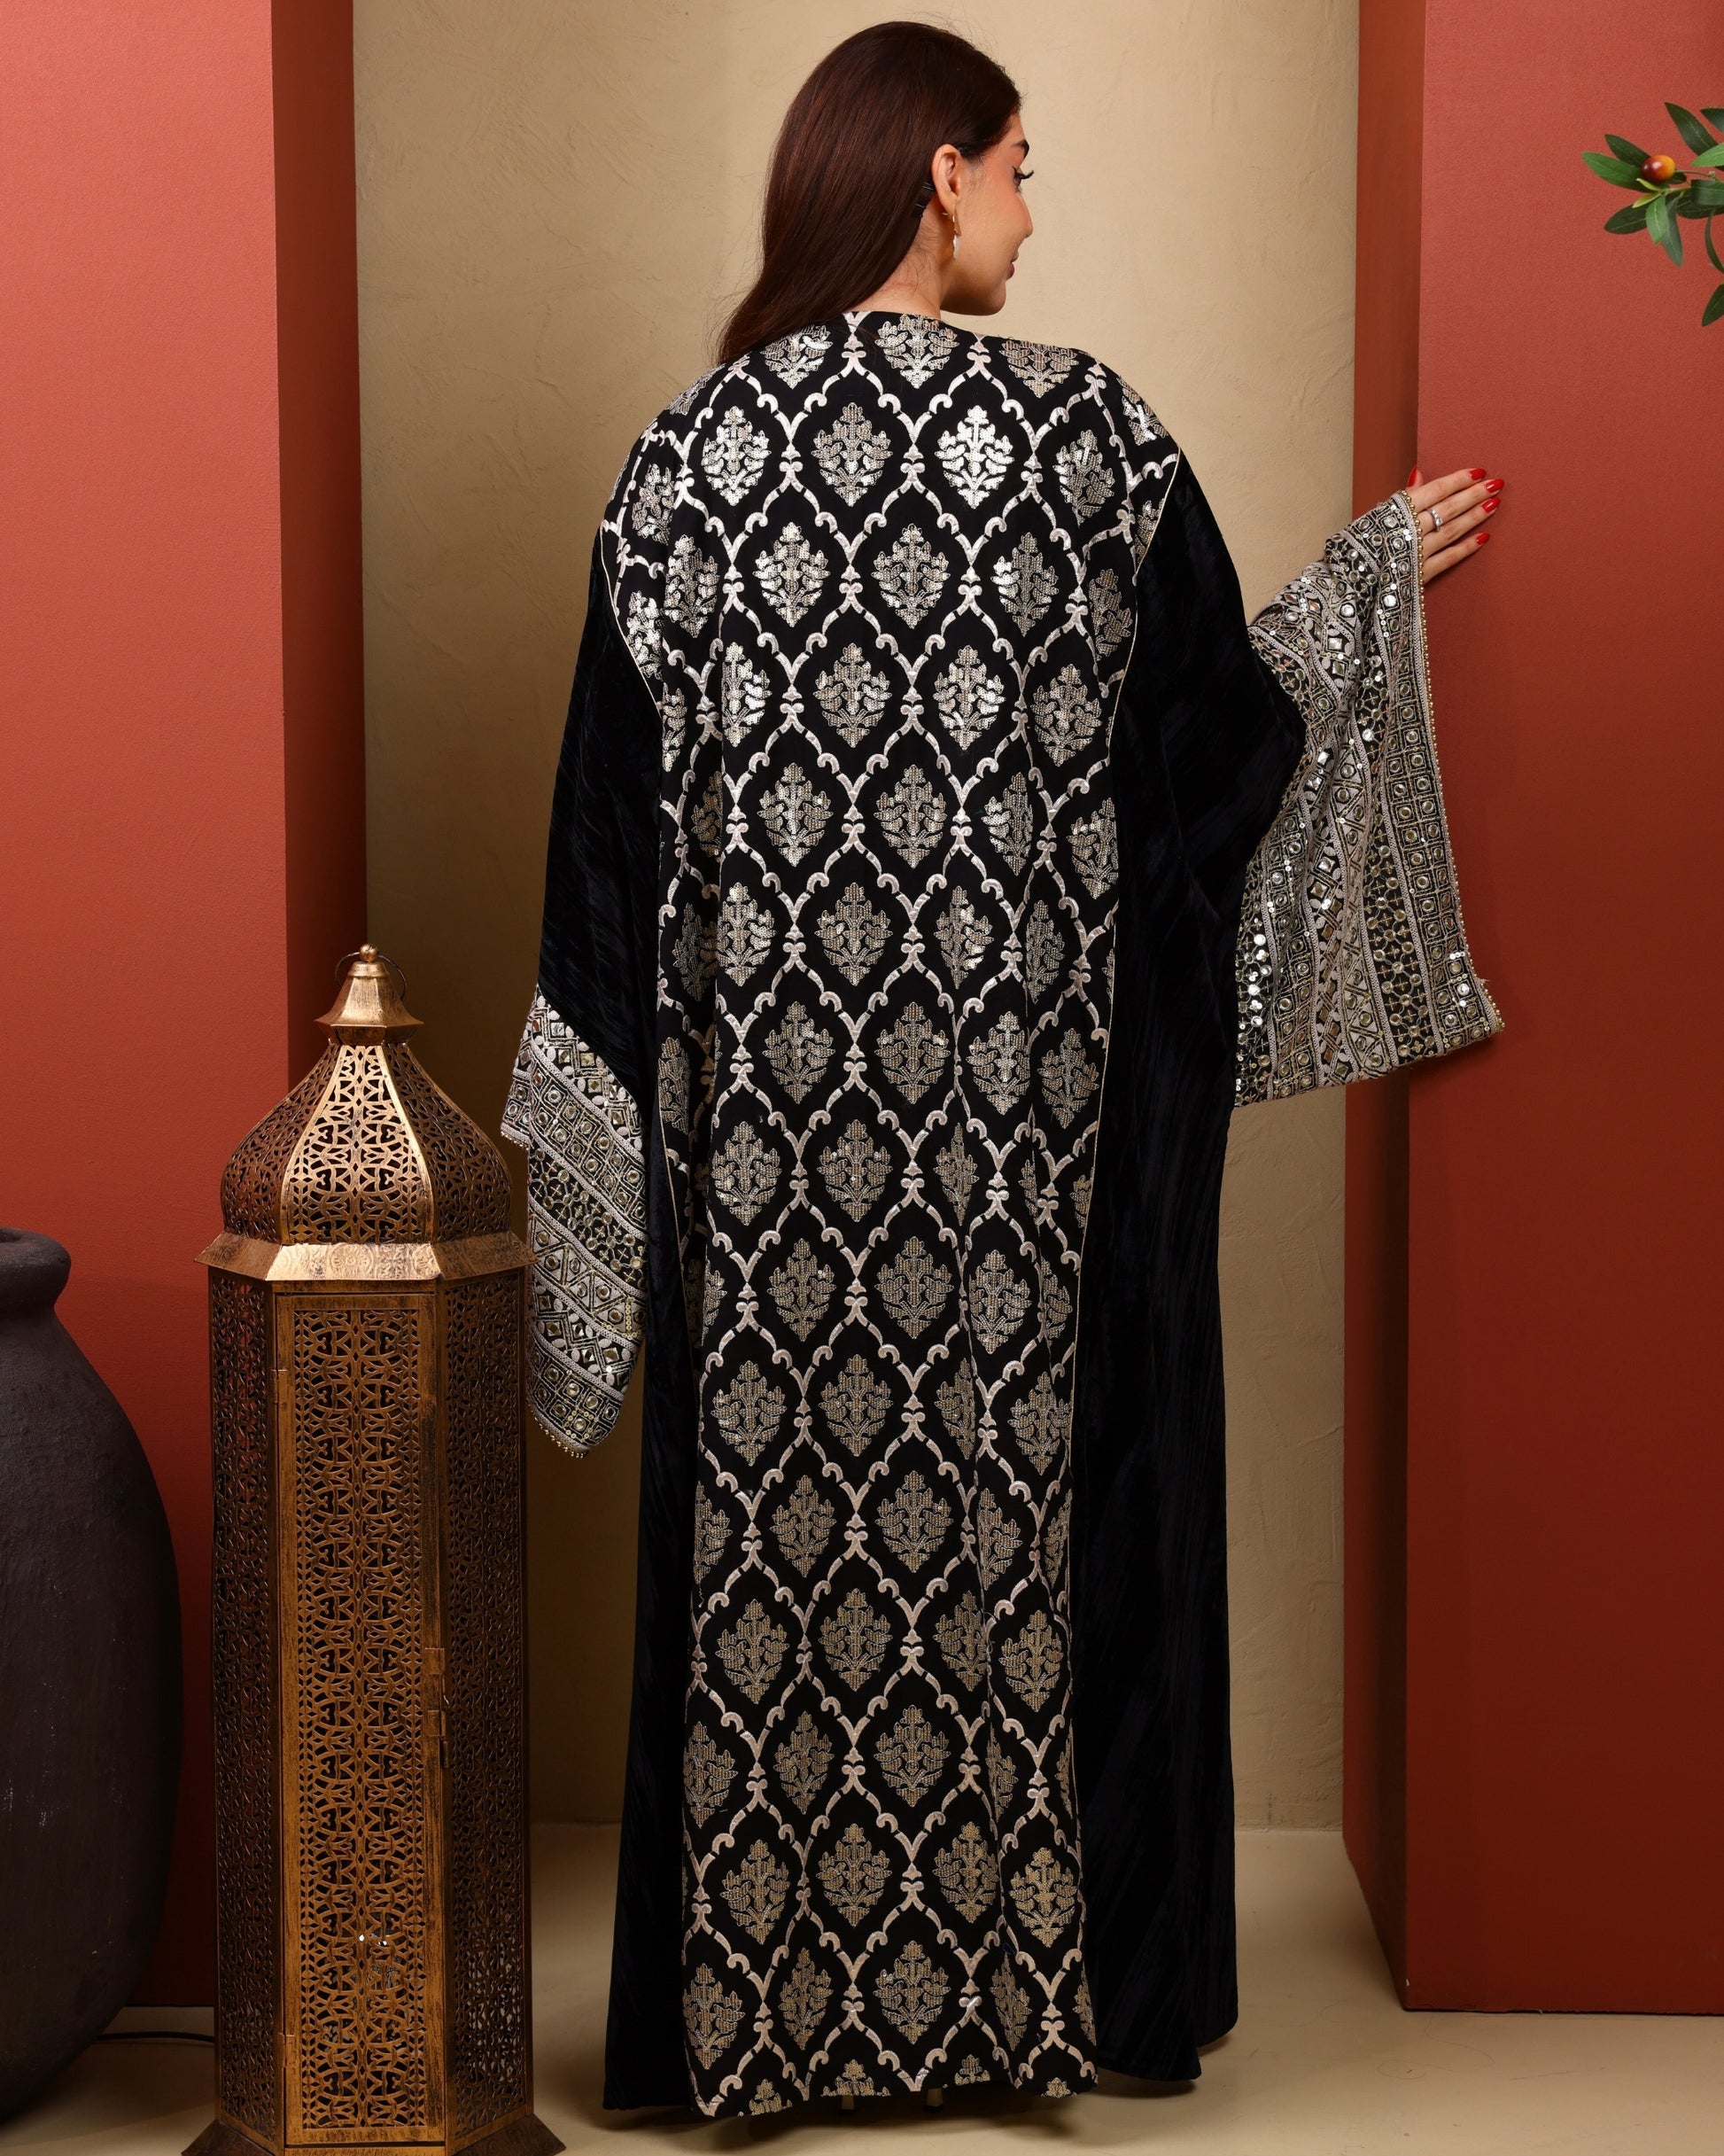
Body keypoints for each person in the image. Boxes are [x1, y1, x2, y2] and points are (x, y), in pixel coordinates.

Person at [502, 19, 1503, 2121]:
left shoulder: (684, 463)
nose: (1035, 215)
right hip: (1027, 1185)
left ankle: (750, 2027)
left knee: (772, 1551)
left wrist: (611, 1205)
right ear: (939, 174)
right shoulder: (1096, 452)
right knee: (1035, 1530)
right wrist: (1363, 594)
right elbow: (1224, 764)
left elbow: (600, 858)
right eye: (1025, 169)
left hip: (763, 1189)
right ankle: (1048, 2004)